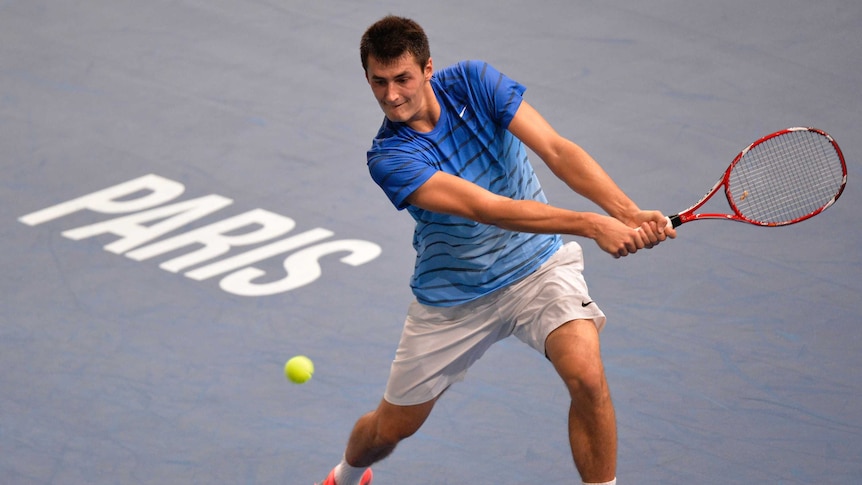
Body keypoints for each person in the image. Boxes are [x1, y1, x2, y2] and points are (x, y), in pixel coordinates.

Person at [317, 15, 675, 485]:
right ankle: (347, 474)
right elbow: (488, 208)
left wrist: (627, 211)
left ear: (428, 69)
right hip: (455, 298)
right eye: (378, 82)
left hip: (538, 268)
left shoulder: (474, 82)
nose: (391, 95)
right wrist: (591, 223)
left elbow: (556, 149)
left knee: (586, 374)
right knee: (391, 428)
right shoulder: (389, 158)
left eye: (402, 78)